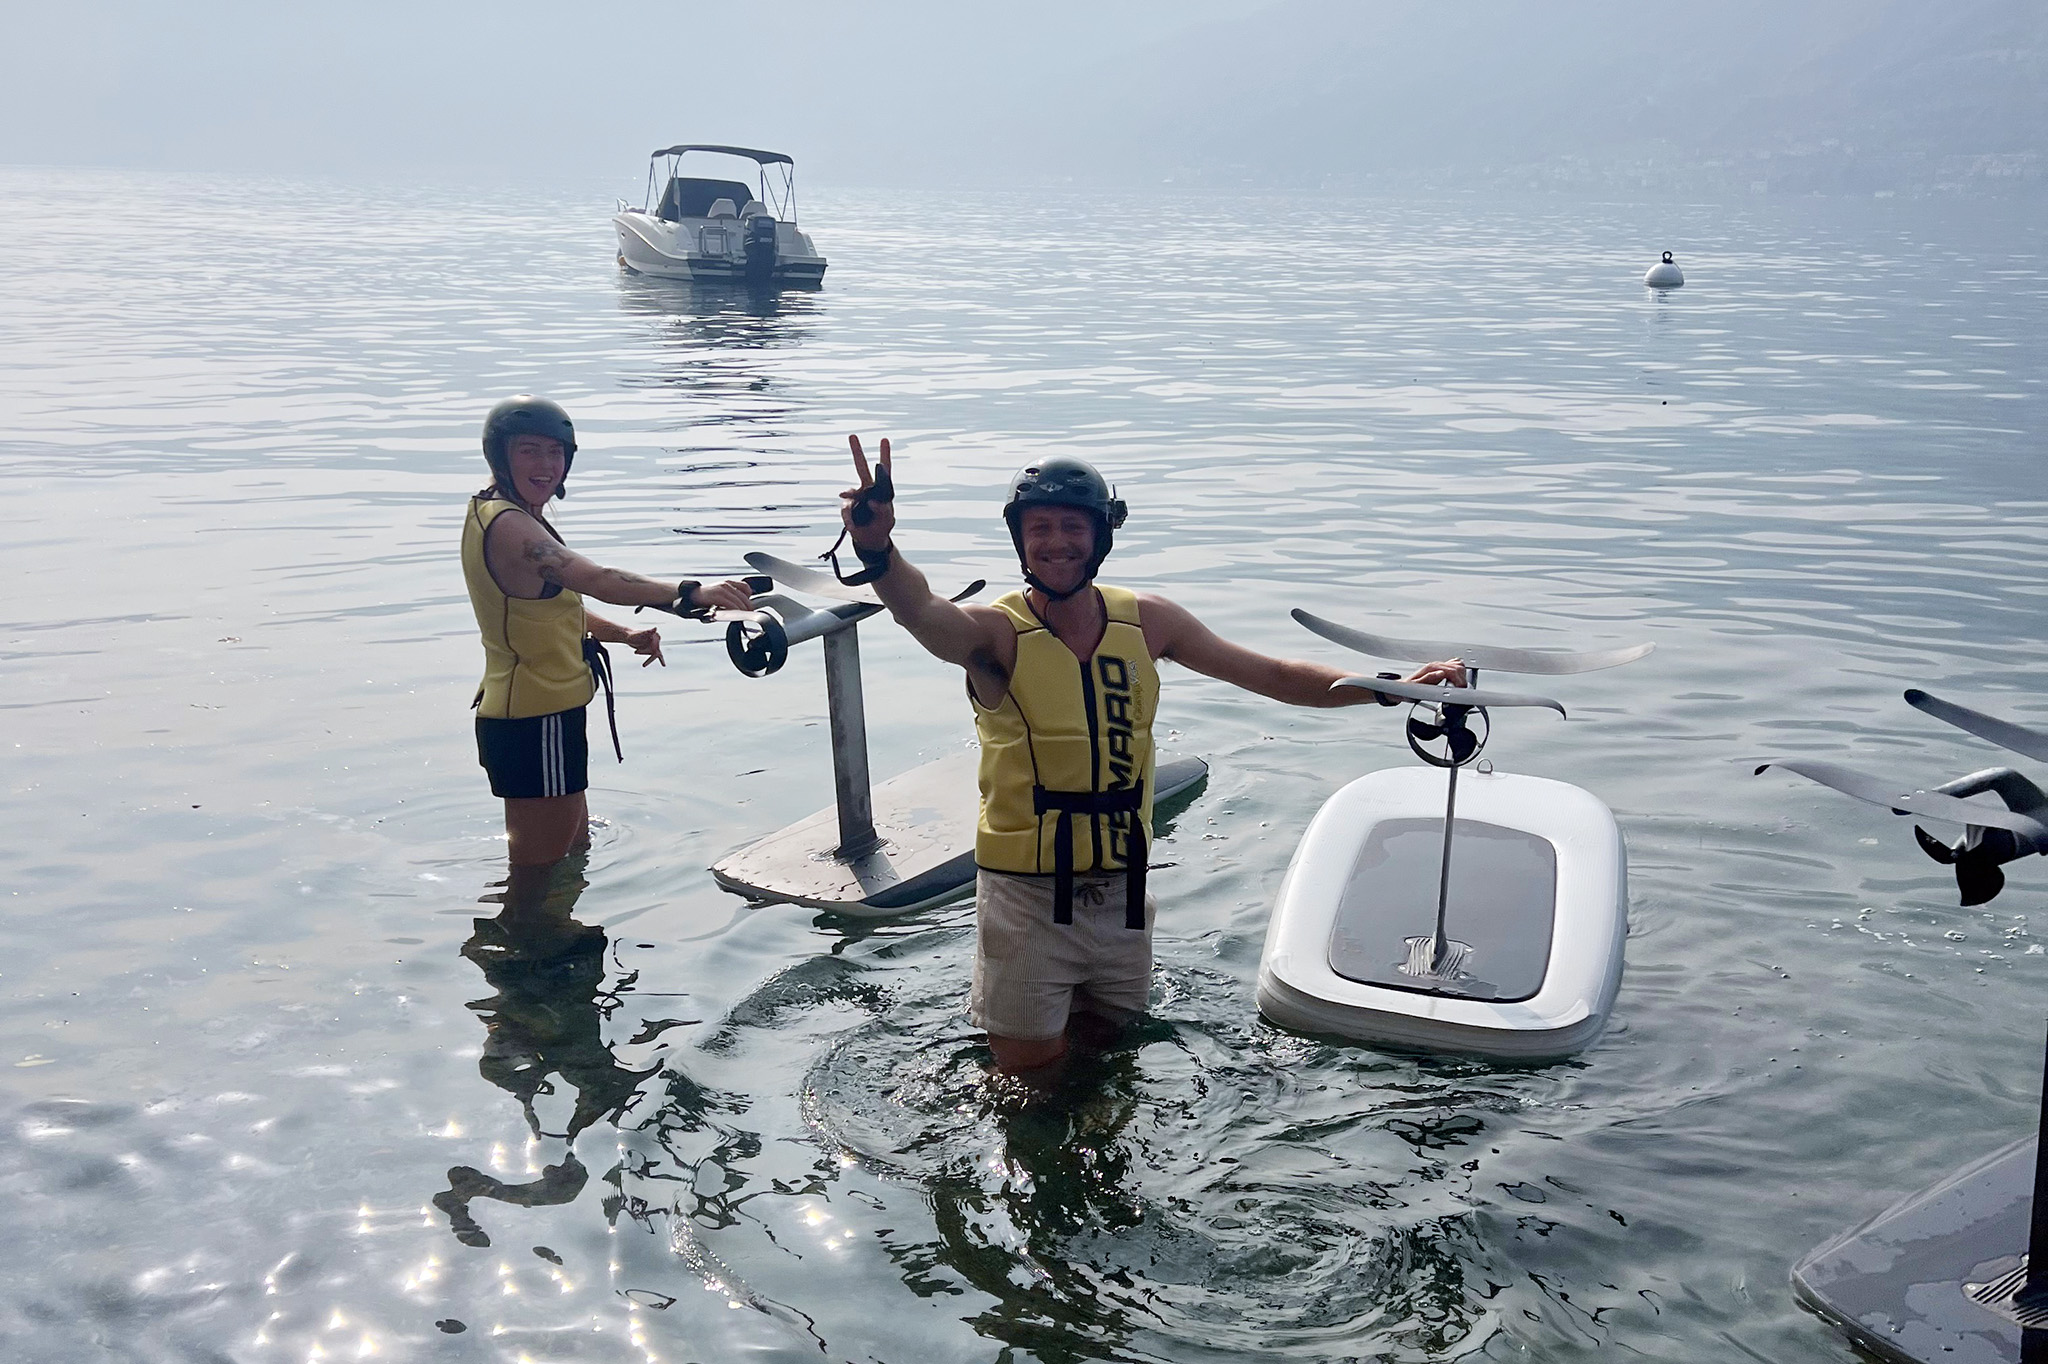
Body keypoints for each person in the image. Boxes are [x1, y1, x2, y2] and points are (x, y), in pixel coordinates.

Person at [833, 436, 1467, 1076]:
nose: (1056, 543)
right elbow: (921, 611)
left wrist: (1389, 689)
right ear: (1019, 538)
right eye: (1040, 528)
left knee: (1112, 1060)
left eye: (1073, 527)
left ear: (1101, 535)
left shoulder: (1149, 622)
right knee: (1031, 1077)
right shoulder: (992, 633)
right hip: (1025, 899)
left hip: (1123, 892)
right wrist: (878, 550)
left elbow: (1271, 674)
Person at [461, 395, 754, 879]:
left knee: (571, 855)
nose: (545, 465)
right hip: (535, 720)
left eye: (555, 452)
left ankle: (556, 929)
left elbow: (550, 607)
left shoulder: (496, 511)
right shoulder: (512, 527)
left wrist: (622, 633)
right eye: (529, 451)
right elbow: (601, 580)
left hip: (538, 713)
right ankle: (523, 932)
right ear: (500, 455)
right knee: (538, 880)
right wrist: (691, 592)